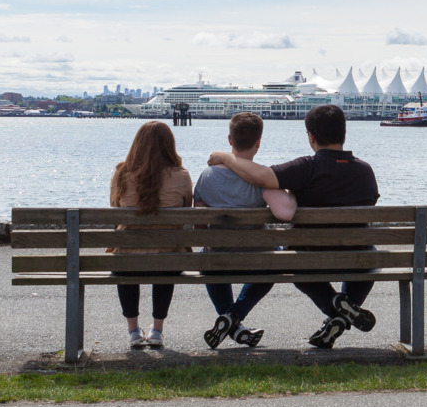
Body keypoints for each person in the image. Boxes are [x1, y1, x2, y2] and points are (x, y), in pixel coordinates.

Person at [208, 103, 379, 349]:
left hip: (310, 259)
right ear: (344, 133)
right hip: (357, 258)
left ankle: (335, 307)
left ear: (311, 137)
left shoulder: (306, 168)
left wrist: (225, 157)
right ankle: (342, 314)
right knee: (370, 256)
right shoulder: (365, 171)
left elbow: (261, 176)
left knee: (295, 266)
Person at [194, 111, 297, 350]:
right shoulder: (261, 178)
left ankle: (231, 323)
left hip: (218, 258)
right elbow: (285, 212)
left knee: (207, 256)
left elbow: (199, 227)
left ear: (230, 140)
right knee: (277, 259)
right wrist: (291, 191)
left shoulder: (206, 176)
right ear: (258, 143)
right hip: (257, 259)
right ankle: (234, 316)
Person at [109, 120, 193, 350]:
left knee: (126, 257)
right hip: (168, 260)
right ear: (169, 145)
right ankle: (157, 330)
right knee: (166, 254)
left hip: (127, 260)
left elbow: (115, 210)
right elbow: (186, 213)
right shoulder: (181, 175)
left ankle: (133, 332)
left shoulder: (121, 174)